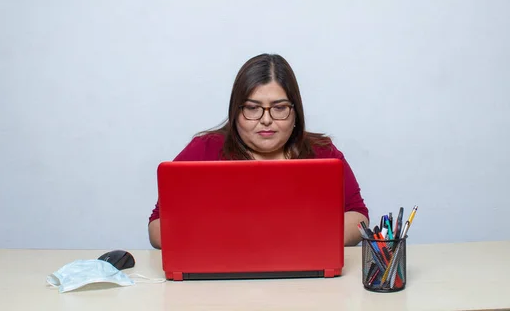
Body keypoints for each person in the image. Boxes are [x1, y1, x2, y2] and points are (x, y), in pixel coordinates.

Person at [148, 53, 369, 248]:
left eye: (279, 108)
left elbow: (358, 216)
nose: (266, 120)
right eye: (252, 108)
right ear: (236, 111)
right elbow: (157, 226)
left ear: (295, 112)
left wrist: (296, 238)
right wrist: (231, 239)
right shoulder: (204, 150)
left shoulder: (323, 153)